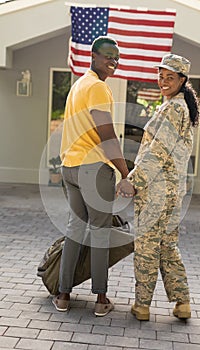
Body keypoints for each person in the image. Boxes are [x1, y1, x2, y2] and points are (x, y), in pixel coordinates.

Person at [53, 36, 134, 316]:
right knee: (99, 233)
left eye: (117, 58)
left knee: (75, 230)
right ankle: (101, 299)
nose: (113, 62)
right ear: (93, 56)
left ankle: (63, 295)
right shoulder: (98, 88)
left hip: (70, 168)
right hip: (93, 170)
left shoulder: (78, 86)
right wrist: (126, 173)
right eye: (108, 56)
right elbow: (107, 136)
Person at [117, 54, 200, 321]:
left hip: (156, 191)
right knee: (166, 246)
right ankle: (182, 302)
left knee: (147, 247)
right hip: (172, 191)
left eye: (170, 77)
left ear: (182, 80)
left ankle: (142, 306)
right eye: (161, 76)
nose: (163, 81)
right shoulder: (177, 106)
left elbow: (158, 151)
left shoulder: (174, 108)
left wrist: (133, 181)